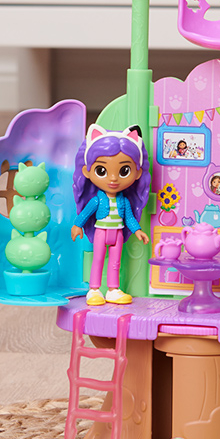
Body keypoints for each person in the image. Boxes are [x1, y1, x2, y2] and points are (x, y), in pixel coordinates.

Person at [71, 124, 151, 306]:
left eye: (124, 171)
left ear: (137, 173)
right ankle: (94, 289)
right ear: (87, 171)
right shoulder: (97, 200)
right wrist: (77, 225)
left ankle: (113, 290)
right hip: (101, 232)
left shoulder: (124, 201)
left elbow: (129, 218)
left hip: (118, 233)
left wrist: (137, 230)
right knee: (98, 260)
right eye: (102, 171)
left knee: (115, 262)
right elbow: (86, 213)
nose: (113, 178)